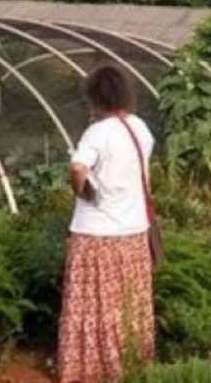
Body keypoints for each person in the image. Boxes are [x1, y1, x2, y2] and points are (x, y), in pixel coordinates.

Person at [57, 65, 155, 383]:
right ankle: (129, 363)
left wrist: (81, 189)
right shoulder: (139, 128)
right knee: (128, 302)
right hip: (133, 230)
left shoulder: (97, 132)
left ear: (94, 98)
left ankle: (90, 369)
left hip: (97, 233)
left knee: (92, 304)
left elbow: (77, 168)